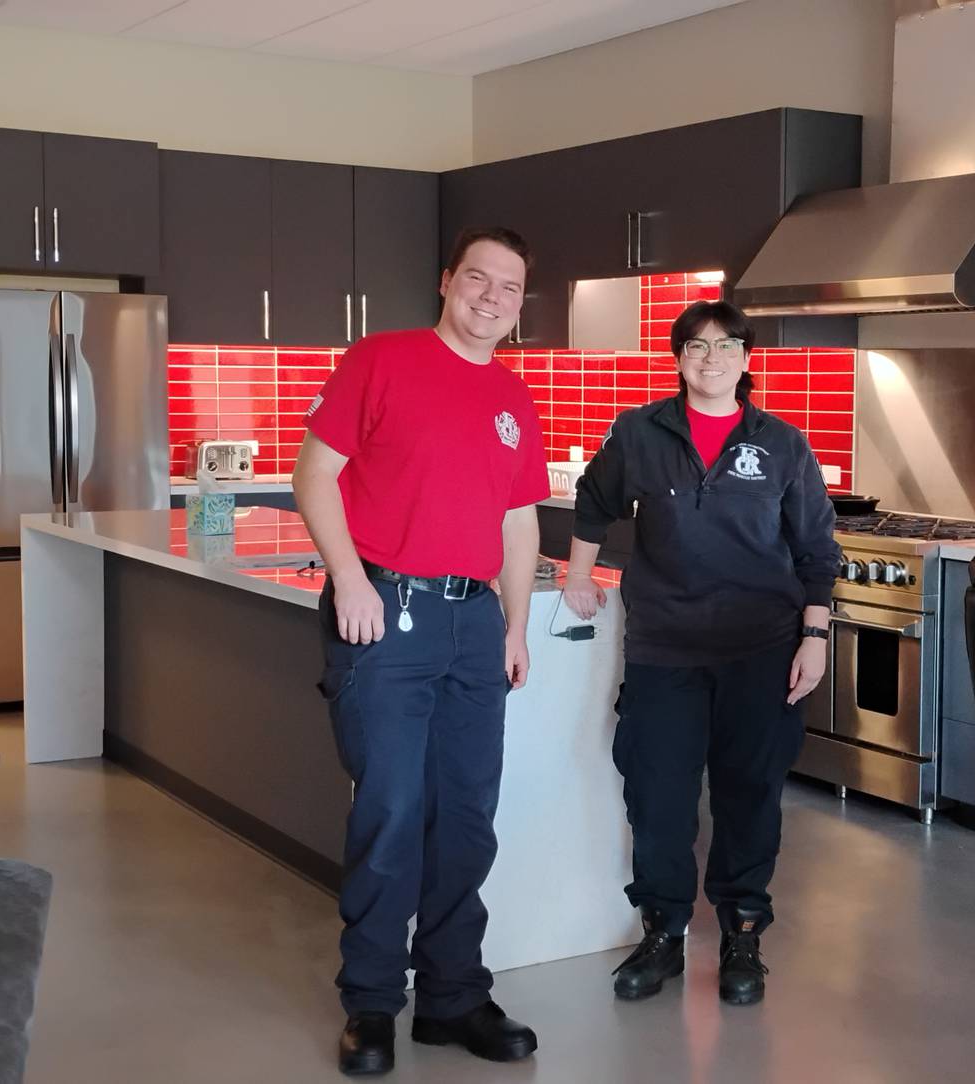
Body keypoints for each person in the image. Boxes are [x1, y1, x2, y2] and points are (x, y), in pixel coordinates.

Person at [294, 226, 549, 1076]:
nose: (490, 296)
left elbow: (519, 523)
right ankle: (372, 1003)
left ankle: (452, 997)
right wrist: (349, 578)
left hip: (475, 625)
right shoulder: (382, 358)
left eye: (508, 287)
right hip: (385, 613)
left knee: (467, 819)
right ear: (447, 283)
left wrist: (514, 626)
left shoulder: (516, 397)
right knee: (392, 812)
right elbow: (314, 473)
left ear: (519, 306)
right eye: (477, 278)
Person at [562, 299, 838, 1006]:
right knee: (658, 798)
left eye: (726, 347)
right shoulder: (640, 432)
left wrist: (815, 634)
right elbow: (593, 502)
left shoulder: (781, 443)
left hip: (763, 651)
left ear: (748, 359)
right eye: (696, 347)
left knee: (751, 797)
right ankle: (664, 934)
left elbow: (815, 549)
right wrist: (577, 572)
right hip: (665, 650)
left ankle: (744, 934)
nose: (711, 359)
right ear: (679, 357)